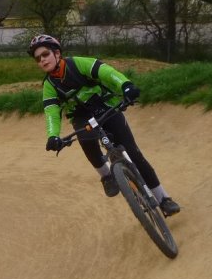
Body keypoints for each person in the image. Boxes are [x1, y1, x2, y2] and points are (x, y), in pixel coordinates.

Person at [29, 34, 181, 216]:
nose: (42, 60)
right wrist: (53, 136)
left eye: (45, 54)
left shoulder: (78, 64)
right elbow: (52, 113)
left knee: (134, 153)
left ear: (57, 53)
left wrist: (125, 86)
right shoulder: (49, 86)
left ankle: (163, 199)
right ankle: (106, 176)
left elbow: (106, 73)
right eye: (38, 58)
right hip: (81, 116)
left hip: (104, 106)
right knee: (85, 139)